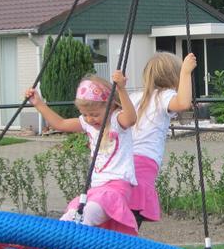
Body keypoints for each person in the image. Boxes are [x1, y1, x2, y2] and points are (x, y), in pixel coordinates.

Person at [25, 71, 139, 236]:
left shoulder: (116, 120)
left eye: (94, 114)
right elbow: (61, 124)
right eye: (85, 114)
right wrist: (38, 103)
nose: (90, 119)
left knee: (86, 216)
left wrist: (121, 89)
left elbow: (131, 119)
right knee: (70, 214)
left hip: (117, 188)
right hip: (96, 189)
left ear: (111, 106)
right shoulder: (87, 124)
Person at [130, 51, 197, 227]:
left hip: (123, 161)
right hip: (144, 164)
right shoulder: (164, 96)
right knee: (130, 224)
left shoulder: (135, 97)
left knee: (121, 217)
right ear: (174, 77)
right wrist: (186, 73)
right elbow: (183, 103)